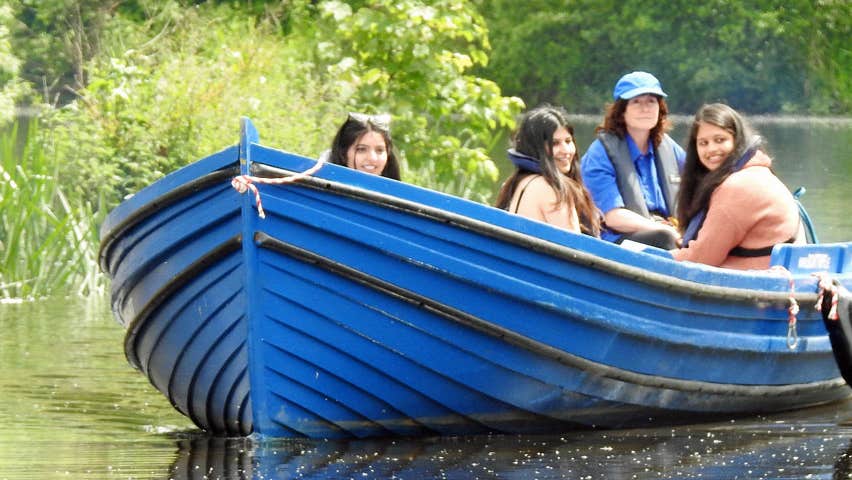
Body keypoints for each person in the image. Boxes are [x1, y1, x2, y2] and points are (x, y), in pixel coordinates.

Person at [672, 103, 800, 270]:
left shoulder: (737, 187)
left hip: (754, 282)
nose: (711, 149)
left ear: (737, 140)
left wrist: (659, 257)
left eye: (720, 140)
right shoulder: (759, 172)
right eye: (703, 143)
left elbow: (701, 259)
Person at [580, 71, 685, 249]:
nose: (645, 108)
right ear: (622, 112)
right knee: (663, 238)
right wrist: (665, 230)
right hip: (620, 241)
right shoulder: (600, 153)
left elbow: (699, 183)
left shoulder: (670, 148)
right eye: (636, 102)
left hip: (667, 229)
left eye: (651, 101)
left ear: (660, 109)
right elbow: (613, 217)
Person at [495, 105, 601, 236]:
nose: (566, 151)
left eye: (568, 141)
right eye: (555, 143)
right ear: (535, 148)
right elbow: (575, 249)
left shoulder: (517, 182)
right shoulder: (552, 188)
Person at [327, 112, 401, 180]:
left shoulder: (399, 193)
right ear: (343, 153)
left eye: (379, 150)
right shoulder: (318, 187)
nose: (373, 158)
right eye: (361, 149)